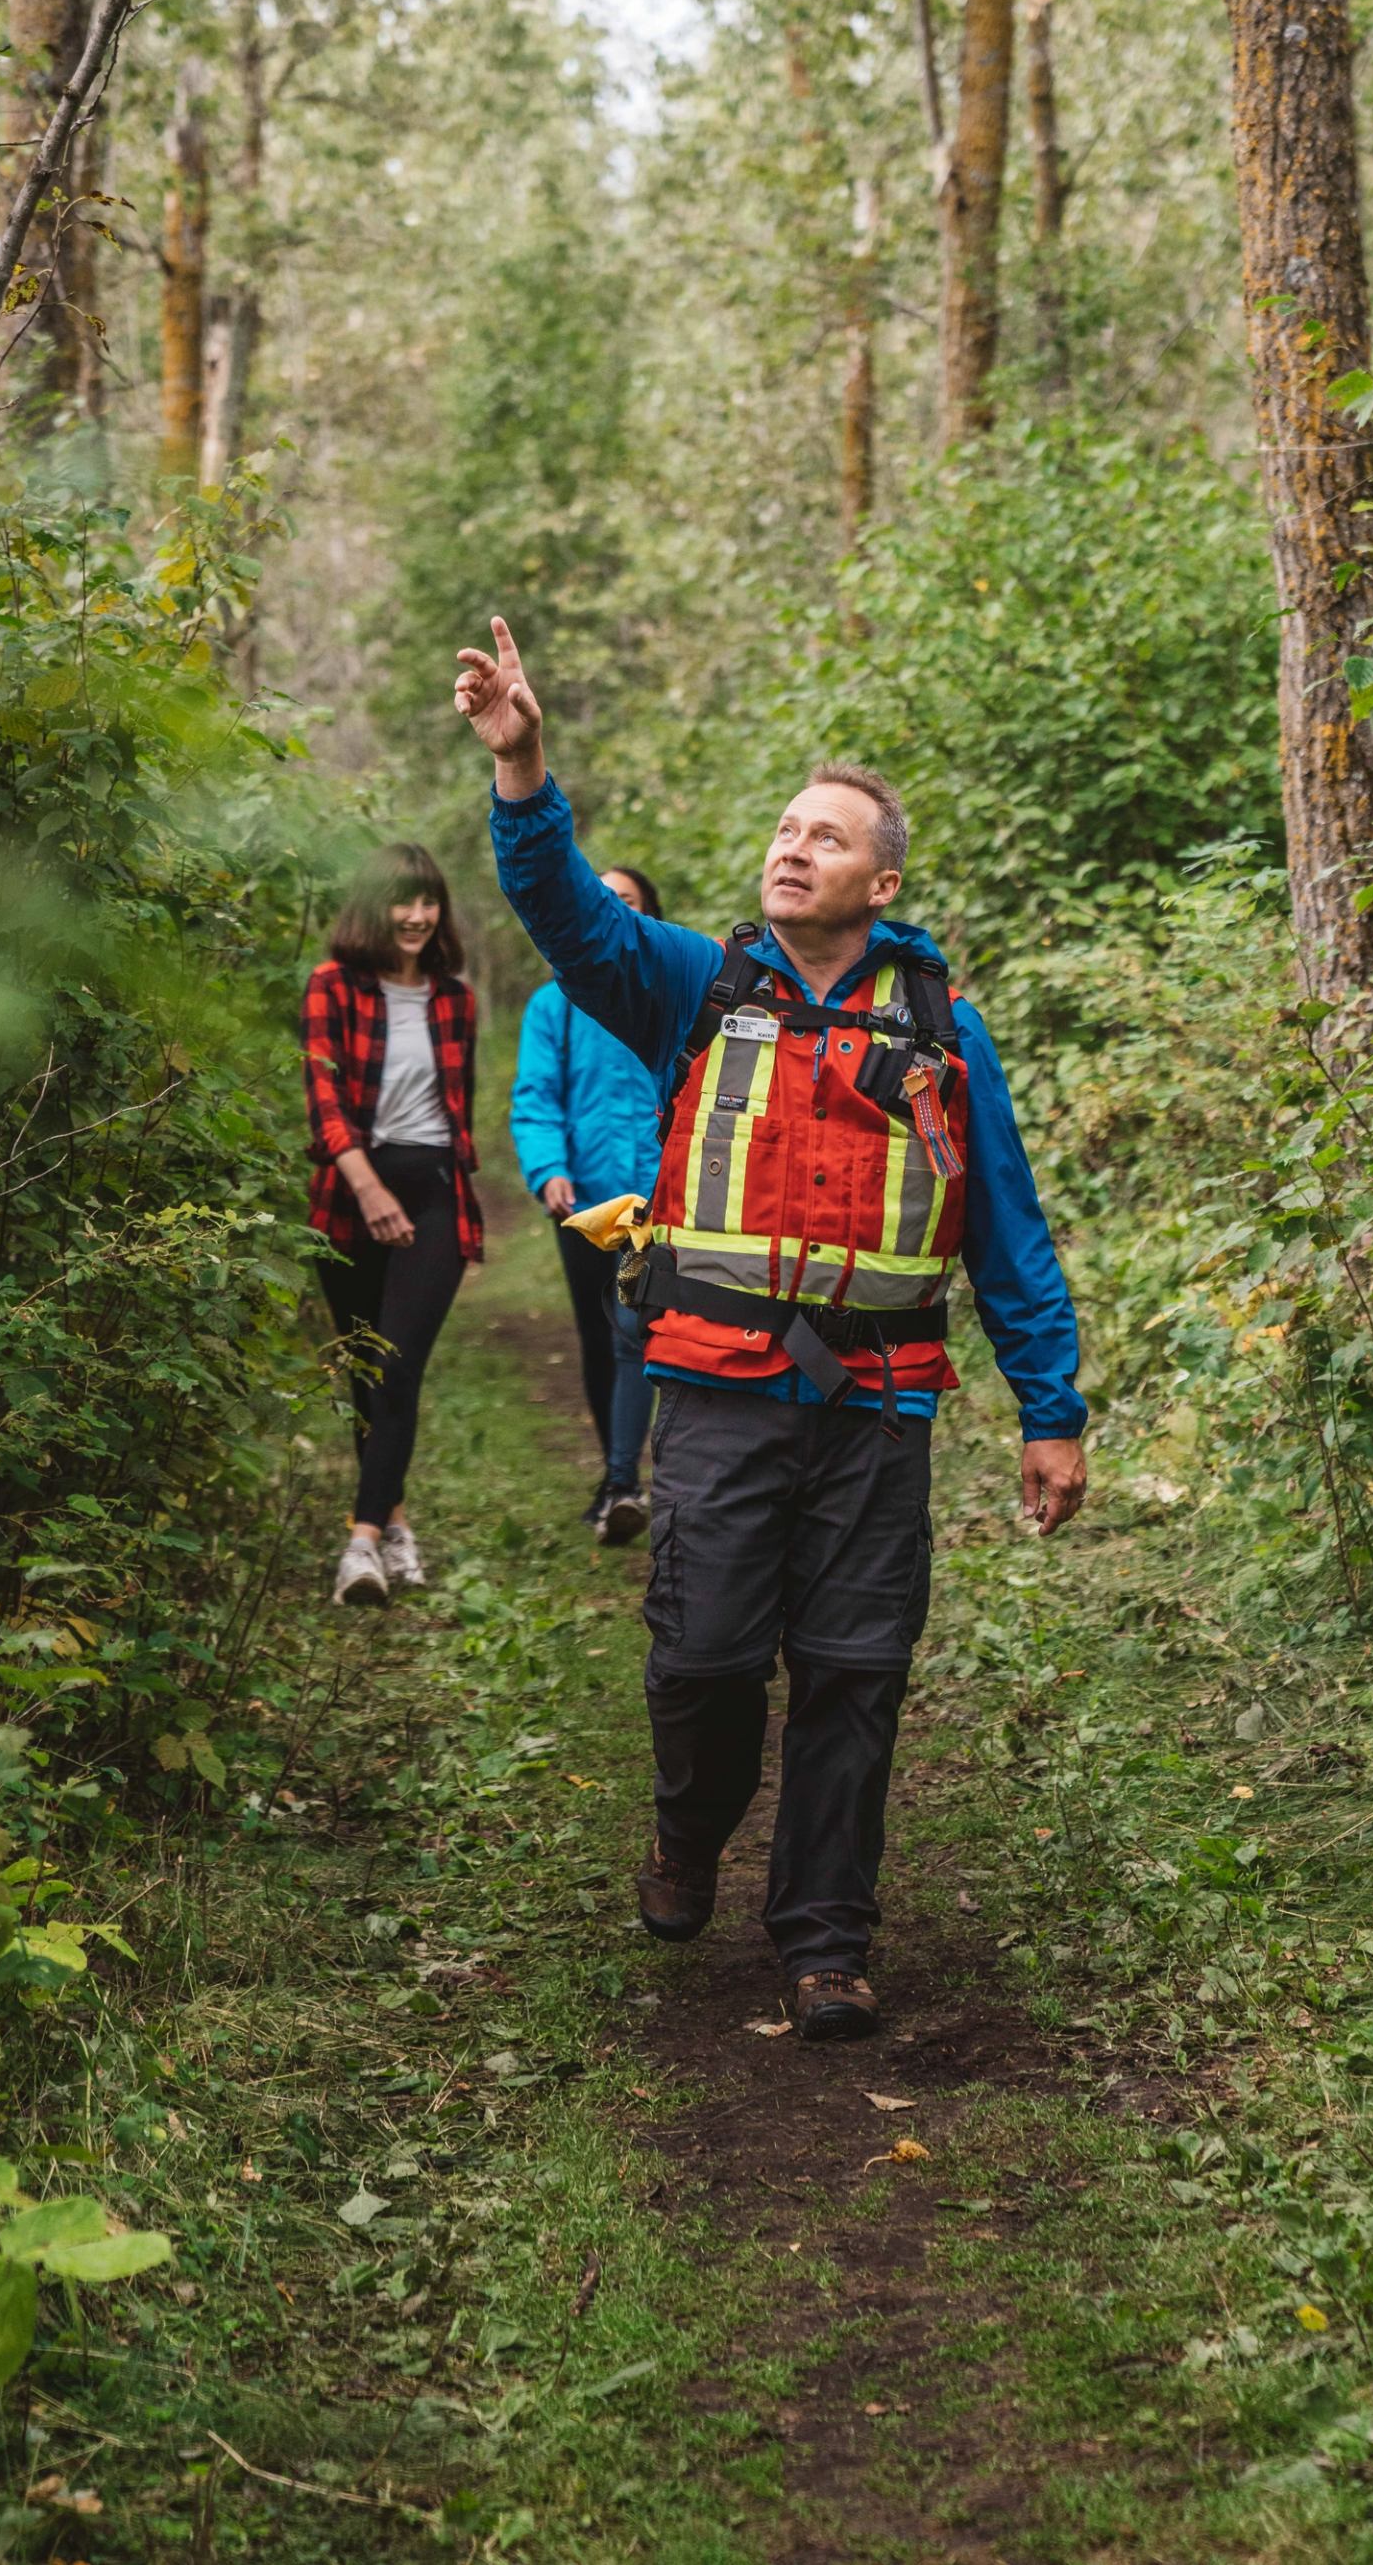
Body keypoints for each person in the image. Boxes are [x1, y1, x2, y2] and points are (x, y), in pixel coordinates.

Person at [455, 616, 1087, 2044]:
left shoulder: (945, 1031)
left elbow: (1009, 1234)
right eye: (785, 827)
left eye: (827, 834)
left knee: (858, 1672)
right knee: (704, 1661)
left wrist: (1052, 1411)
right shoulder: (695, 983)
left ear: (883, 879)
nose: (793, 846)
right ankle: (691, 1832)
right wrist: (523, 768)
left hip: (878, 1405)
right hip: (720, 1392)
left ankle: (825, 1939)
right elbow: (569, 917)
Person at [301, 842, 482, 1604]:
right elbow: (325, 1099)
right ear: (373, 905)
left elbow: (455, 1106)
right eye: (401, 901)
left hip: (435, 1188)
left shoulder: (456, 998)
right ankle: (397, 1523)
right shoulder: (332, 985)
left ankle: (362, 1544)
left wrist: (414, 1191)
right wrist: (370, 1191)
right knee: (367, 1374)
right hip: (351, 1191)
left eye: (427, 901)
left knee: (399, 1365)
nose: (415, 916)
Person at [511, 864, 665, 1548]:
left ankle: (632, 1479)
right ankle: (620, 1481)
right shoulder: (554, 1005)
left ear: (647, 915)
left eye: (626, 901)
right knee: (605, 1337)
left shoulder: (670, 993)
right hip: (584, 1205)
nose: (613, 910)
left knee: (645, 1334)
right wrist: (548, 1169)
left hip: (666, 1201)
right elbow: (536, 1096)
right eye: (602, 900)